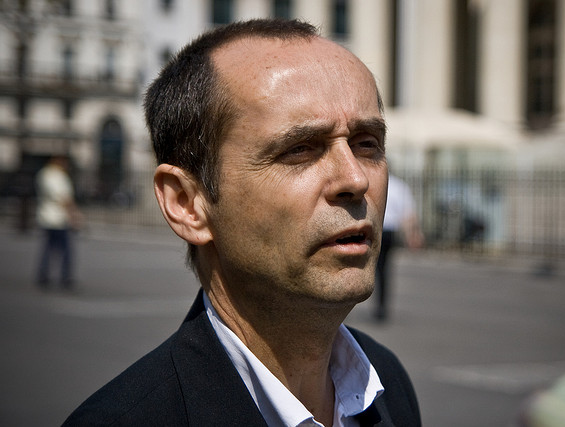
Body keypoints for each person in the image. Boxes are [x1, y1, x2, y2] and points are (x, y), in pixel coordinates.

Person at [63, 19, 421, 426]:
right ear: (187, 204)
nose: (355, 180)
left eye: (367, 144)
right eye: (300, 149)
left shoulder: (387, 384)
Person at [375, 174, 423, 321]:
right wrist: (412, 234)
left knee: (374, 268)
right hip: (390, 232)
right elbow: (408, 214)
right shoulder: (399, 186)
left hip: (377, 229)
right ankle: (382, 307)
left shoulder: (375, 182)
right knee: (384, 269)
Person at [35, 155, 82, 289]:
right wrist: (74, 215)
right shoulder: (59, 176)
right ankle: (65, 277)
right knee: (65, 249)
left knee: (48, 247)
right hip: (58, 218)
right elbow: (64, 198)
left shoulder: (43, 174)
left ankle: (43, 274)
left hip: (45, 215)